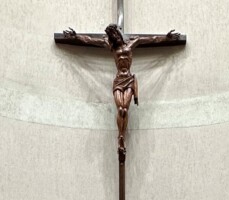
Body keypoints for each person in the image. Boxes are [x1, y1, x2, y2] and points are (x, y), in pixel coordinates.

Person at [61, 24, 179, 160]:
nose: (114, 38)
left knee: (125, 110)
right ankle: (120, 137)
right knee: (120, 109)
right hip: (118, 80)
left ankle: (122, 136)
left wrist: (166, 38)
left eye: (115, 35)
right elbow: (90, 40)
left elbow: (152, 39)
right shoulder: (109, 45)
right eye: (112, 37)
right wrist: (76, 37)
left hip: (129, 80)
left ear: (118, 33)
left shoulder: (132, 42)